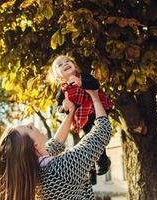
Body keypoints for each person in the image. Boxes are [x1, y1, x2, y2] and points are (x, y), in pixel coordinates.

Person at [0, 89, 112, 200]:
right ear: (34, 146)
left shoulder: (37, 171)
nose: (31, 124)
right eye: (29, 128)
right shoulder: (61, 169)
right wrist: (94, 95)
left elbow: (56, 143)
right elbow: (102, 132)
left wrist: (71, 112)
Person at [51, 55, 113, 184]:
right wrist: (64, 107)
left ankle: (102, 161)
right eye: (60, 65)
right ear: (58, 75)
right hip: (82, 114)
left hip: (95, 107)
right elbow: (59, 106)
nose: (65, 64)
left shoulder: (83, 76)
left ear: (75, 65)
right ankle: (91, 170)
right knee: (87, 138)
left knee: (95, 133)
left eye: (68, 61)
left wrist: (82, 83)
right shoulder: (62, 90)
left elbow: (95, 84)